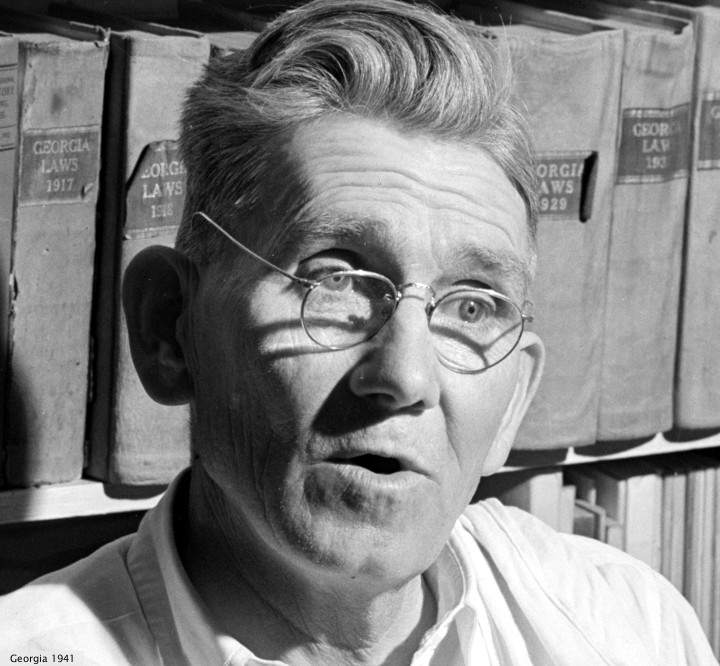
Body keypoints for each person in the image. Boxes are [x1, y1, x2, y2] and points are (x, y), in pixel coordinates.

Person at [1, 0, 716, 664]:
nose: (405, 377)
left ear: (514, 404)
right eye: (336, 281)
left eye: (471, 309)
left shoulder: (632, 629)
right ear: (168, 328)